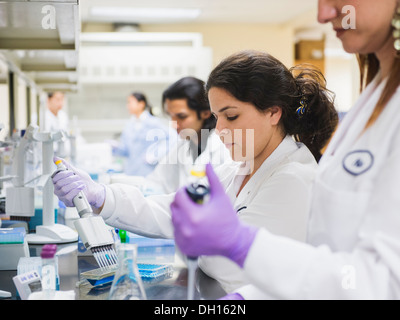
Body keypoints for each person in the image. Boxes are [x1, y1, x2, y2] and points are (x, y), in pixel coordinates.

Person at [52, 51, 337, 292]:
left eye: (232, 116)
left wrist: (200, 236)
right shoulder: (239, 167)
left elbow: (233, 266)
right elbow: (172, 209)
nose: (221, 129)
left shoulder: (293, 178)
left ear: (274, 113)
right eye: (217, 117)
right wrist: (102, 197)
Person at [170, 0, 400, 299]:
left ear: (273, 113)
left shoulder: (293, 174)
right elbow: (325, 259)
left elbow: (382, 283)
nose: (323, 14)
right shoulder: (376, 97)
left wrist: (243, 245)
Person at [145, 76, 232, 194]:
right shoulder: (182, 147)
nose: (174, 125)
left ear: (205, 113)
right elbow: (156, 183)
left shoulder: (225, 148)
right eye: (171, 116)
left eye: (181, 117)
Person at [112, 92, 177, 176]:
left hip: (148, 171)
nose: (127, 106)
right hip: (130, 171)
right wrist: (116, 147)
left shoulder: (153, 123)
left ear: (141, 104)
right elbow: (126, 151)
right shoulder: (128, 125)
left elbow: (172, 138)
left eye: (130, 102)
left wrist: (155, 155)